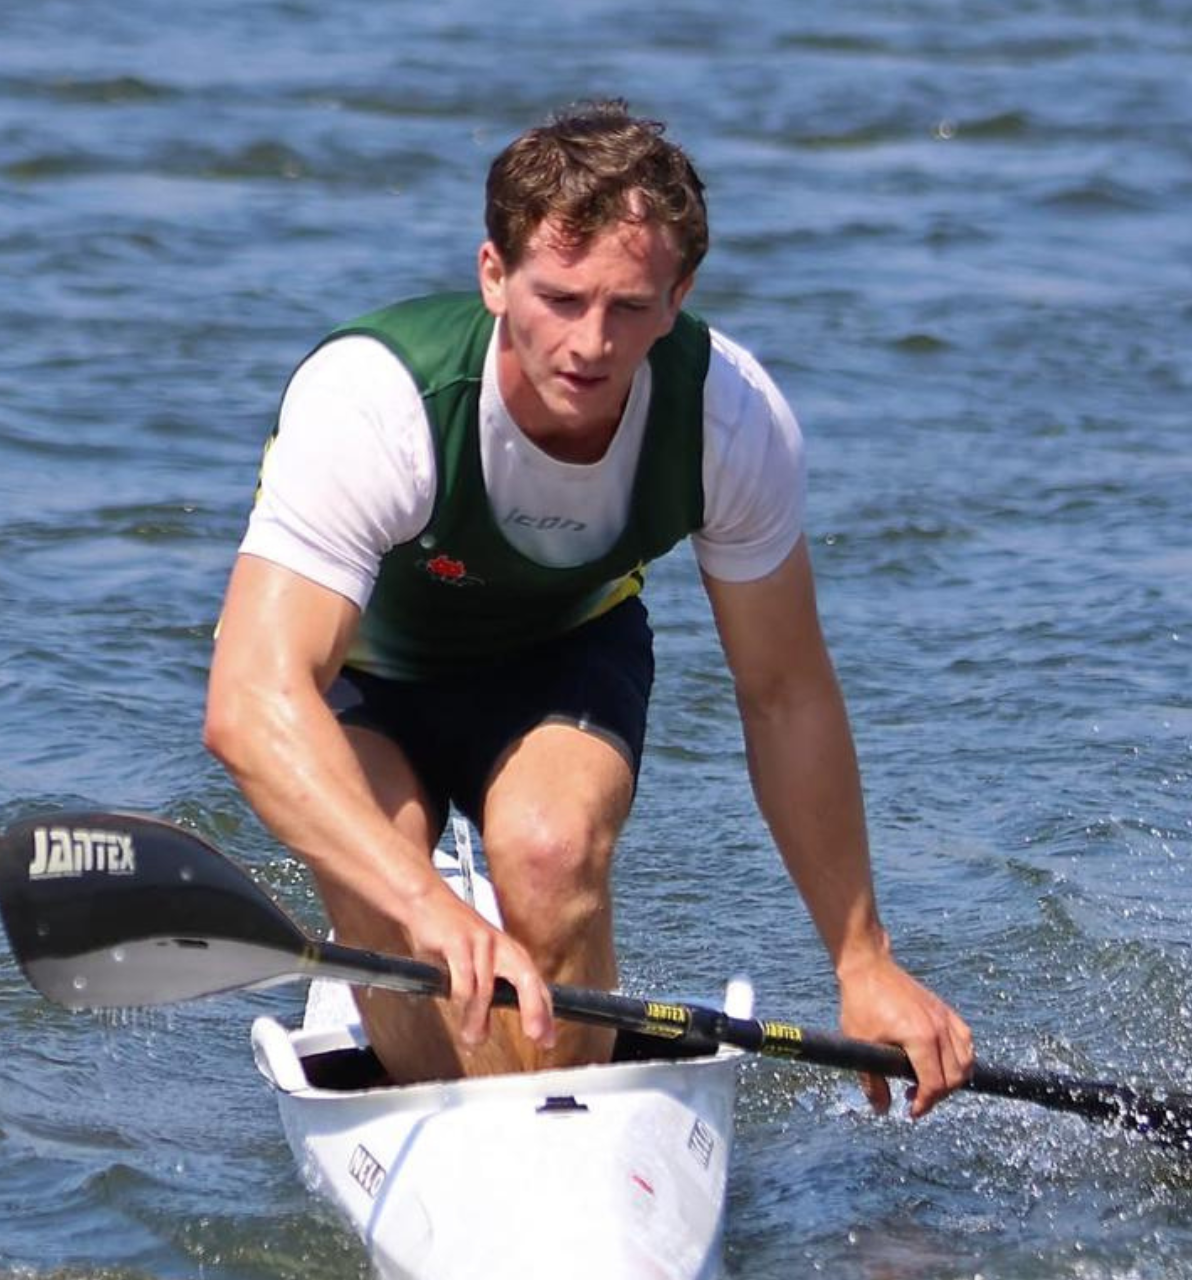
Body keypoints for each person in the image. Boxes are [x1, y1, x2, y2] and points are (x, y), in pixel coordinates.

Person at [204, 99, 973, 1116]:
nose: (590, 344)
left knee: (550, 849)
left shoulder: (729, 420)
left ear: (680, 295)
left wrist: (862, 956)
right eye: (560, 298)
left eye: (629, 308)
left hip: (559, 653)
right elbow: (250, 701)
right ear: (494, 274)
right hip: (363, 678)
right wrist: (423, 902)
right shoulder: (376, 404)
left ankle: (572, 1126)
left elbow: (784, 692)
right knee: (390, 881)